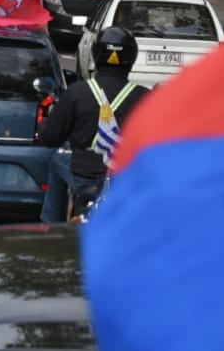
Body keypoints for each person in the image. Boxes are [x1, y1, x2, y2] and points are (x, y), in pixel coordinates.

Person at [34, 27, 148, 223]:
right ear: (132, 57)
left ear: (96, 54)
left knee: (56, 159)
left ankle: (51, 225)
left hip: (83, 174)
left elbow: (51, 137)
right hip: (127, 177)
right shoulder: (145, 97)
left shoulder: (77, 92)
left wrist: (43, 127)